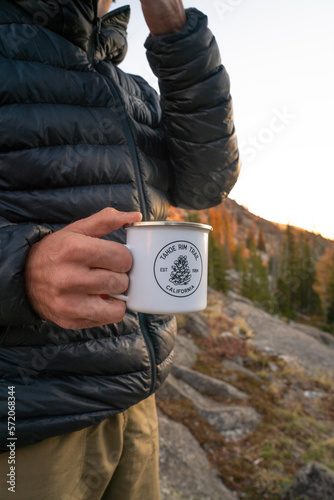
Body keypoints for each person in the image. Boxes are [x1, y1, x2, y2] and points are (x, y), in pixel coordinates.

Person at [0, 0, 240, 498]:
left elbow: (206, 182)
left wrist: (176, 33)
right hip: (28, 423)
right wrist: (21, 268)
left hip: (135, 403)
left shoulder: (130, 88)